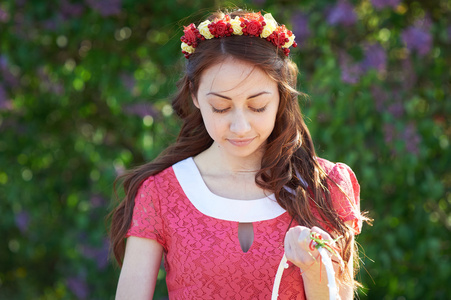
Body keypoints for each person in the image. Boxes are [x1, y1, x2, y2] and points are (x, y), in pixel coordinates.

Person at [109, 8, 368, 300]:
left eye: (257, 106)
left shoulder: (324, 185)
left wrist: (312, 268)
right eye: (220, 107)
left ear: (281, 97)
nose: (240, 127)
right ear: (195, 96)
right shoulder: (161, 192)